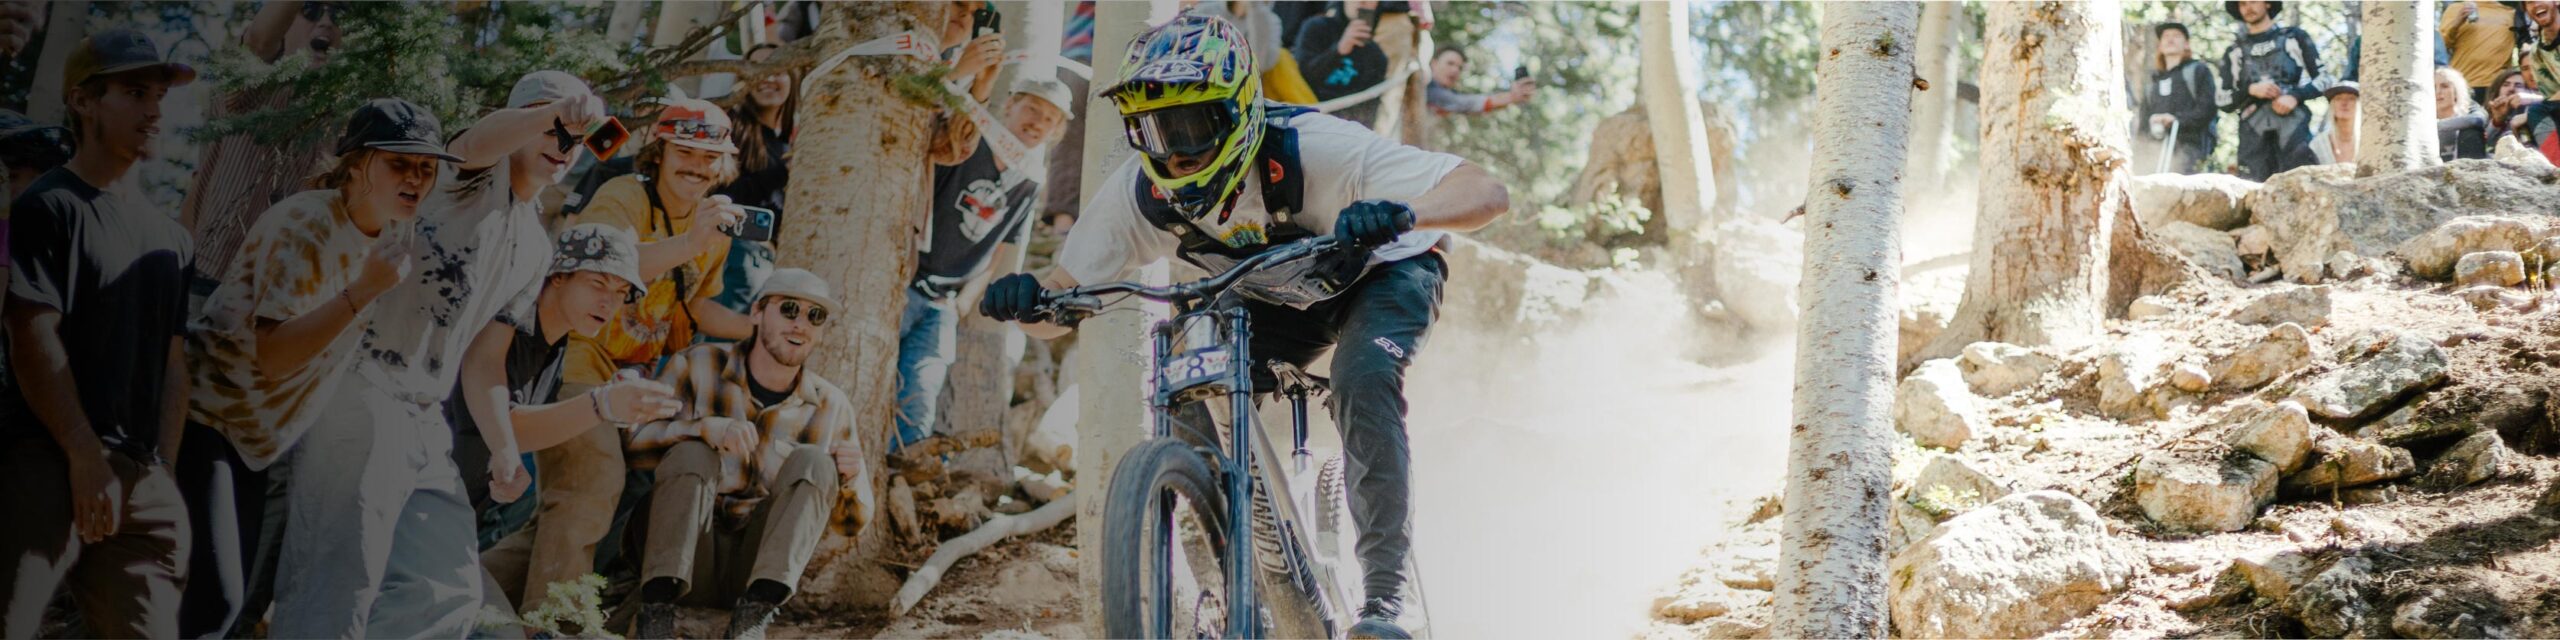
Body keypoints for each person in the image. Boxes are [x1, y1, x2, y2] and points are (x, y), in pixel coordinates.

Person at [979, 16, 1511, 639]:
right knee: (1187, 392)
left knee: (1361, 376)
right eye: (1152, 129)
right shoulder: (1139, 194)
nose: (1173, 150)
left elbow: (1487, 192)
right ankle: (1233, 589)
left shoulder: (1318, 148)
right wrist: (1033, 302)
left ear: (1238, 113)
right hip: (1273, 295)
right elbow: (1067, 304)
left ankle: (1388, 603)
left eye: (1191, 125)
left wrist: (1403, 213)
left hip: (1383, 272)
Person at [266, 70, 604, 639]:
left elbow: (484, 359)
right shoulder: (462, 180)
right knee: (336, 586)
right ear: (523, 119)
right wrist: (557, 113)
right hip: (358, 391)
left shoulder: (538, 245)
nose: (563, 146)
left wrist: (502, 448)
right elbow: (475, 142)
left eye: (576, 139)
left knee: (447, 590)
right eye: (551, 129)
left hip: (424, 421)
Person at [179, 98, 454, 639]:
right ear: (356, 163)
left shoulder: (391, 233)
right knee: (211, 603)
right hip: (204, 422)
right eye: (399, 163)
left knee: (226, 605)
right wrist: (365, 290)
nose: (416, 179)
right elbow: (275, 355)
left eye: (426, 167)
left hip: (256, 444)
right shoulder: (307, 222)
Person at [0, 28, 197, 639]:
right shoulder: (49, 206)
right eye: (136, 91)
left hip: (140, 480)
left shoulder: (173, 240)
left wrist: (161, 471)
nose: (154, 109)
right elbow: (32, 336)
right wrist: (84, 455)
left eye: (159, 94)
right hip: (45, 460)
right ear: (84, 102)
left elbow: (172, 365)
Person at [535, 96, 752, 616]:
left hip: (643, 384)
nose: (697, 167)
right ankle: (552, 625)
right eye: (685, 152)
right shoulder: (623, 195)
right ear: (659, 150)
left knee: (599, 506)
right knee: (591, 486)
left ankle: (485, 603)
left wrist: (759, 326)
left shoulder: (712, 226)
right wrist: (690, 241)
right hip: (581, 360)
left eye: (709, 158)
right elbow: (608, 268)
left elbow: (697, 302)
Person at [624, 268, 869, 640]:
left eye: (814, 316)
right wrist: (702, 429)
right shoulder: (695, 364)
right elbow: (635, 446)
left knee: (816, 463)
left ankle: (754, 616)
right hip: (685, 553)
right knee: (692, 452)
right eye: (789, 309)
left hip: (754, 569)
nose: (800, 324)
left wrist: (848, 482)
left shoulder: (831, 406)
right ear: (757, 313)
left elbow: (850, 525)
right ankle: (656, 612)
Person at [467, 224, 682, 613]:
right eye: (598, 284)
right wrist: (602, 405)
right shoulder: (513, 325)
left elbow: (512, 435)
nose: (608, 303)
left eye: (620, 294)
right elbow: (502, 424)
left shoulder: (555, 345)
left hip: (456, 520)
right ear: (558, 276)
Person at [894, 77, 1074, 451]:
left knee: (920, 396)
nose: (1038, 123)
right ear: (1009, 106)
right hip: (904, 283)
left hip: (943, 303)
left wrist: (965, 299)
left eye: (1050, 120)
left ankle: (905, 472)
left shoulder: (1028, 181)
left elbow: (999, 247)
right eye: (1033, 110)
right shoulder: (967, 142)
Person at [182, 0, 346, 309]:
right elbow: (259, 41)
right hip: (212, 282)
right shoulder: (252, 78)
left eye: (338, 14)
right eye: (310, 11)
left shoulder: (344, 109)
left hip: (287, 298)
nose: (325, 22)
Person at [708, 44, 795, 321]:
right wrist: (782, 172)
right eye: (758, 69)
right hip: (735, 255)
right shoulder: (730, 128)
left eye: (777, 69)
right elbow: (721, 194)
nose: (768, 77)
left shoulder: (782, 144)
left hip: (767, 264)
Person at [2218, 0, 2324, 181]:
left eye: (2253, 1)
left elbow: (2325, 79)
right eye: (2242, 4)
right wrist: (2250, 89)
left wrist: (2295, 96)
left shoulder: (2294, 37)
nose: (2248, 7)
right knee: (2251, 196)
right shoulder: (2234, 51)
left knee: (2301, 189)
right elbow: (2221, 99)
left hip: (2294, 132)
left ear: (2267, 3)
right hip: (2252, 138)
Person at [1294, 0, 1392, 127]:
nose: (1361, 2)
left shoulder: (1377, 57)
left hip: (1346, 131)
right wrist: (1338, 51)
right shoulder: (1316, 28)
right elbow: (1302, 78)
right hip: (1306, 120)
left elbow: (1368, 112)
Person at [2139, 22, 2221, 174]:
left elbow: (2208, 108)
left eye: (2176, 36)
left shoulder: (2198, 71)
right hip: (2155, 152)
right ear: (2160, 45)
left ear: (2186, 44)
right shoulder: (2153, 82)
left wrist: (2177, 120)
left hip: (2191, 149)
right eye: (2166, 37)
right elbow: (2143, 121)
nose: (2170, 40)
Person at [2443, 0, 2525, 105]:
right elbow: (2442, 45)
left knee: (2497, 120)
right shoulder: (2456, 9)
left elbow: (2524, 48)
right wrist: (2457, 23)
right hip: (2463, 83)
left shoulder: (2511, 13)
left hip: (2497, 85)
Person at [1424, 48, 1536, 117]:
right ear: (1434, 63)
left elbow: (1469, 106)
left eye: (1460, 68)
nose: (1455, 70)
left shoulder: (1446, 93)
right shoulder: (1426, 86)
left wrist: (1511, 99)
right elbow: (1462, 103)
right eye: (1450, 63)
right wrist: (1511, 97)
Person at [2438, 66, 2496, 160]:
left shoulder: (2471, 110)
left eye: (2444, 86)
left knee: (2471, 133)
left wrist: (2436, 126)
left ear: (2457, 90)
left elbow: (2477, 119)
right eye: (2432, 87)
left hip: (2463, 169)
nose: (2438, 92)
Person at [2310, 82, 2361, 165]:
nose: (2344, 103)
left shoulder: (2370, 142)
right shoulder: (2318, 144)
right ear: (2332, 105)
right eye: (2338, 98)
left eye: (2351, 98)